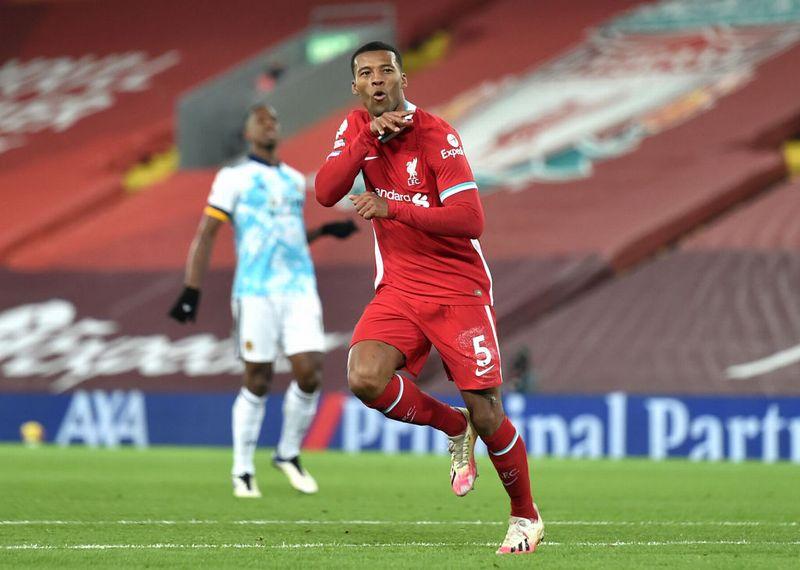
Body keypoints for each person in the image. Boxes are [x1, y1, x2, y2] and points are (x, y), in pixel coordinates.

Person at [315, 41, 544, 555]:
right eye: (366, 73)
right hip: (399, 289)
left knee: (489, 413)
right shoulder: (356, 129)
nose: (377, 79)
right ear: (355, 86)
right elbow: (326, 192)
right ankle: (452, 425)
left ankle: (525, 516)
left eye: (386, 70)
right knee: (364, 376)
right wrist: (365, 138)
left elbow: (470, 220)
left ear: (404, 79)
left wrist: (393, 208)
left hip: (458, 290)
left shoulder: (438, 134)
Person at [169, 103, 357, 498]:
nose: (270, 124)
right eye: (261, 120)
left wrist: (324, 231)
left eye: (274, 119)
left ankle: (288, 453)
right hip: (255, 292)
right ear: (247, 133)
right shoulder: (232, 178)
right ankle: (242, 469)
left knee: (310, 373)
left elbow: (288, 237)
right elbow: (207, 233)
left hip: (299, 288)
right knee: (257, 379)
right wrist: (191, 288)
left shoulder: (293, 179)